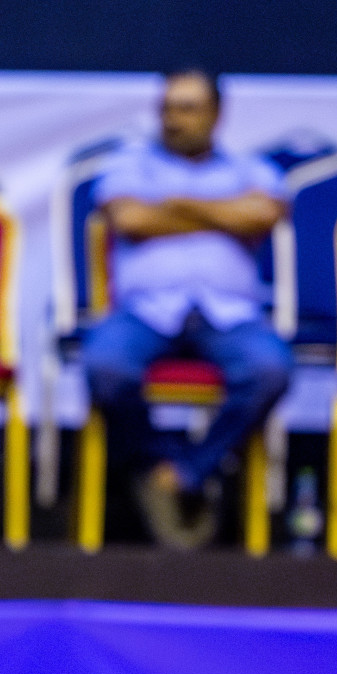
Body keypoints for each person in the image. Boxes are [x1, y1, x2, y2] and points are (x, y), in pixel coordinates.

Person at [87, 68, 292, 548]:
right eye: (167, 108)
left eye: (187, 108)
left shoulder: (251, 168)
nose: (173, 119)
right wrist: (223, 213)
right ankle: (164, 462)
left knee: (271, 369)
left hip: (229, 314)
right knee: (105, 365)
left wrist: (176, 205)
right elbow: (131, 218)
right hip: (145, 312)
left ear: (217, 114)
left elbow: (264, 213)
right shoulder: (129, 164)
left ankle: (180, 475)